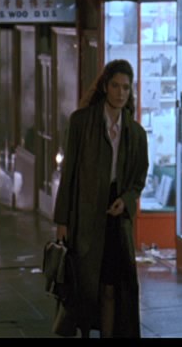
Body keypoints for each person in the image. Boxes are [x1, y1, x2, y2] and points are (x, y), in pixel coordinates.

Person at [53, 59, 149, 338]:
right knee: (83, 286)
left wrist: (127, 200)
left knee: (111, 285)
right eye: (116, 86)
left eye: (126, 88)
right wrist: (62, 221)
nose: (121, 93)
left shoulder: (135, 133)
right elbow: (69, 173)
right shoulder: (81, 122)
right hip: (85, 215)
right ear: (105, 86)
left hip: (116, 217)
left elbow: (139, 178)